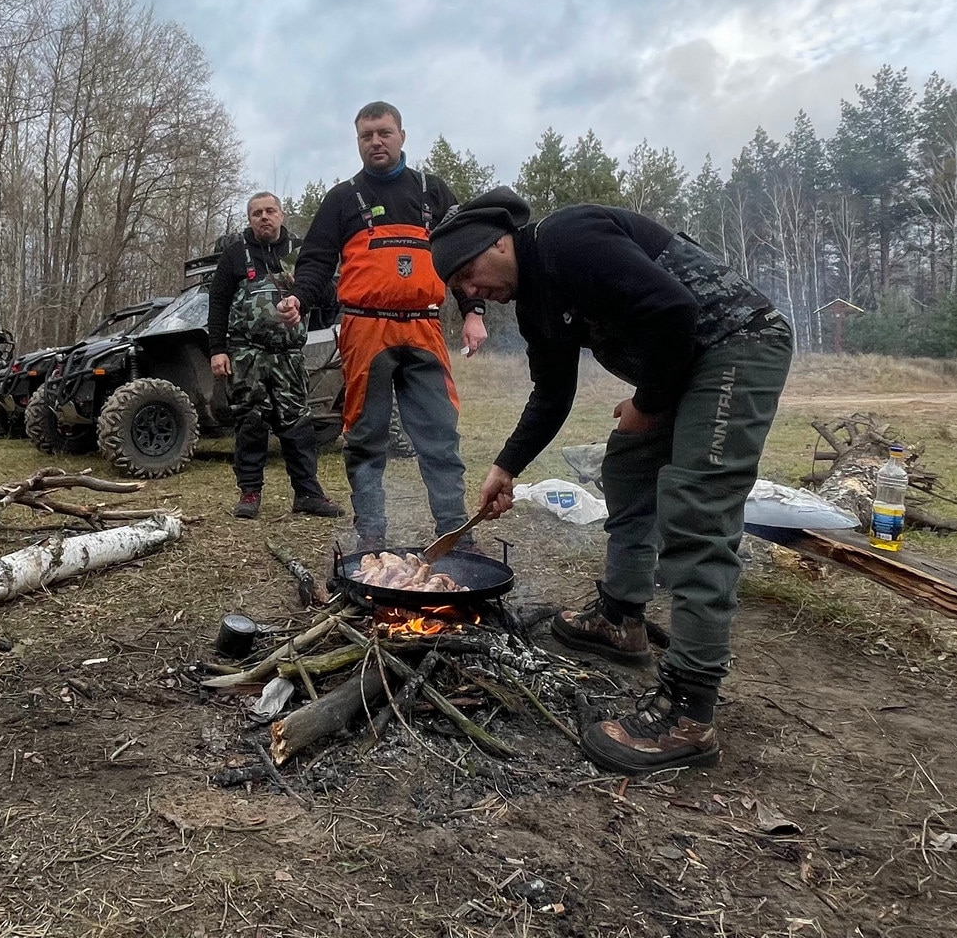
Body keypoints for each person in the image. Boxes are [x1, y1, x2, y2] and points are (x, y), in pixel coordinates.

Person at [430, 189, 793, 776]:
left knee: (697, 508)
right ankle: (620, 619)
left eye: (468, 271)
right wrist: (506, 467)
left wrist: (648, 404)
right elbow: (552, 393)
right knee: (625, 464)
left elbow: (672, 310)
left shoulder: (567, 239)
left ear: (499, 241)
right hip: (686, 362)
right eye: (457, 285)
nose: (469, 291)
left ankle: (688, 713)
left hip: (736, 344)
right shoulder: (535, 306)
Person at [277, 103, 489, 546]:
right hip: (365, 329)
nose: (376, 141)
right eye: (367, 135)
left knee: (439, 433)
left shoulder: (433, 192)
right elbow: (316, 260)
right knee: (366, 435)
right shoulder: (341, 198)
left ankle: (453, 531)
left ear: (402, 136)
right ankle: (371, 535)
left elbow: (465, 253)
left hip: (424, 328)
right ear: (358, 141)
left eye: (384, 132)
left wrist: (473, 311)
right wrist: (299, 296)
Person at [208, 191, 345, 520]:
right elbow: (218, 303)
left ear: (282, 215)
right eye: (257, 213)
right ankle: (250, 492)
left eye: (270, 211)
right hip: (247, 356)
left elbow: (331, 295)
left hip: (290, 356)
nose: (264, 217)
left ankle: (308, 493)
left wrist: (305, 284)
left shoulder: (300, 253)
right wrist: (218, 350)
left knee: (298, 424)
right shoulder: (235, 254)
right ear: (250, 219)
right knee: (250, 423)